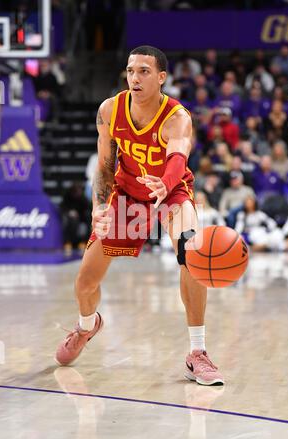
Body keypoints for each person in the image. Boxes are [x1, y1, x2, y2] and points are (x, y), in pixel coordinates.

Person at [55, 45, 224, 386]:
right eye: (131, 71)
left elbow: (178, 156)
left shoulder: (177, 117)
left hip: (170, 190)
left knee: (192, 250)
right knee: (85, 282)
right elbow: (104, 165)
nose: (135, 77)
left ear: (161, 77)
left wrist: (165, 183)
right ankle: (87, 327)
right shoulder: (110, 110)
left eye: (144, 71)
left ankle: (197, 353)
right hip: (128, 194)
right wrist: (99, 207)